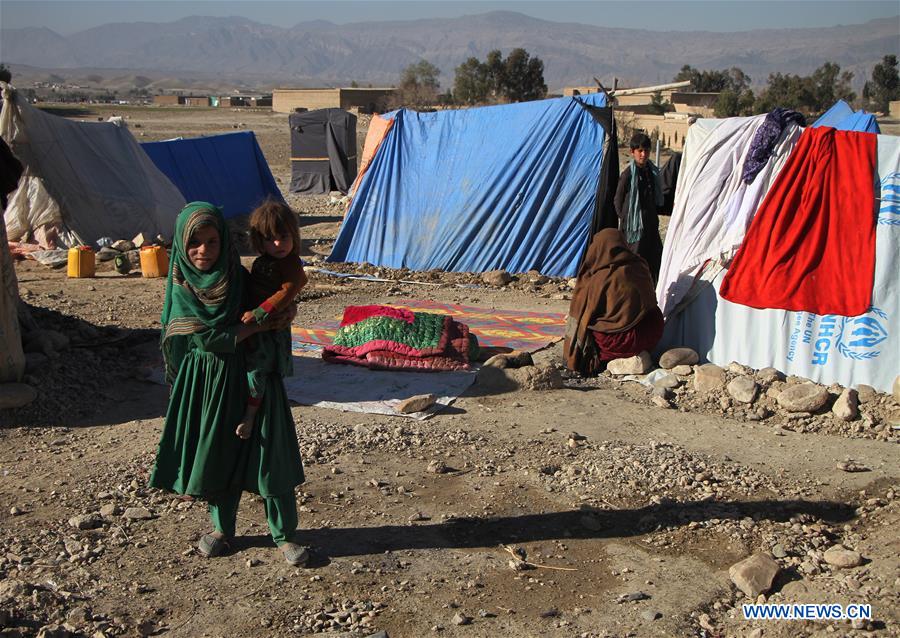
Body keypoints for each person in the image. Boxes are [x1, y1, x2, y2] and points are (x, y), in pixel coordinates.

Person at [149, 201, 308, 566]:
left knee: (271, 453)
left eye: (212, 242)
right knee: (218, 453)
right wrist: (258, 325)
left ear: (225, 243)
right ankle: (223, 529)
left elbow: (274, 295)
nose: (204, 251)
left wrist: (283, 312)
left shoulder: (238, 276)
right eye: (194, 243)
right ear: (180, 245)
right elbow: (207, 339)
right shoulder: (181, 285)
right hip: (207, 380)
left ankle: (284, 535)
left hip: (254, 371)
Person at [236, 200, 307, 440]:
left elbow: (289, 289)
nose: (278, 244)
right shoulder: (265, 262)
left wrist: (261, 312)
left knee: (259, 370)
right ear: (259, 240)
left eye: (284, 237)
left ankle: (250, 415)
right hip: (256, 325)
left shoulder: (291, 262)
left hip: (270, 327)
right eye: (270, 239)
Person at [563, 229, 664, 376]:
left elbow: (584, 316)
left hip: (619, 343)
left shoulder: (600, 278)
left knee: (584, 320)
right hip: (650, 334)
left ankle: (604, 359)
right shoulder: (640, 265)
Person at [614, 132, 664, 281]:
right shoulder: (628, 174)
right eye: (640, 151)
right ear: (632, 152)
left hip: (650, 226)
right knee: (634, 262)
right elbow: (618, 200)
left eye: (646, 150)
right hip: (633, 230)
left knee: (654, 261)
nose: (643, 154)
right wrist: (626, 219)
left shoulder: (652, 172)